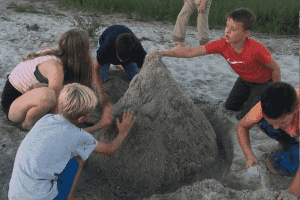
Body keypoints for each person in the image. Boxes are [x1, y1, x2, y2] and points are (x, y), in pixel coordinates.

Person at [147, 8, 281, 120]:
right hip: (244, 80)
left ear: (246, 33)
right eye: (227, 26)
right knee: (230, 107)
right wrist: (163, 52)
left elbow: (275, 69)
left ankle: (260, 100)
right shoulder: (222, 44)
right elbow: (192, 51)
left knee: (246, 117)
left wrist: (275, 93)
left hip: (263, 82)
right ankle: (252, 100)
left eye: (233, 29)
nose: (227, 31)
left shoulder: (257, 49)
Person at [8, 83, 136, 200]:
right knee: (78, 157)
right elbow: (110, 150)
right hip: (43, 197)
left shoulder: (46, 119)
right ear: (81, 118)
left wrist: (101, 125)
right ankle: (70, 197)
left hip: (15, 194)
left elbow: (72, 138)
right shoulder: (76, 136)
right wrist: (123, 132)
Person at [1, 27, 112, 131]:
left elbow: (83, 86)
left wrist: (84, 115)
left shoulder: (63, 57)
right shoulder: (55, 67)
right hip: (12, 104)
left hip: (28, 98)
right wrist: (73, 124)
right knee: (49, 96)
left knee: (69, 89)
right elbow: (55, 108)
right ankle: (27, 125)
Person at [236, 82, 299, 200]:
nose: (276, 127)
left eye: (283, 122)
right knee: (262, 122)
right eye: (273, 123)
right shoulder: (266, 105)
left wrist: (293, 191)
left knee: (276, 165)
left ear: (296, 108)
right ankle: (288, 144)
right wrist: (248, 154)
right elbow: (242, 126)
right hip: (294, 132)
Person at [93, 25, 147, 91]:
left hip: (125, 49)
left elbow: (139, 73)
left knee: (133, 77)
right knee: (102, 79)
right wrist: (101, 93)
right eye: (119, 58)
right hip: (107, 37)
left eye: (124, 60)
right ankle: (112, 62)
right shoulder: (105, 48)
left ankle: (119, 65)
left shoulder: (139, 52)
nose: (120, 60)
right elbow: (95, 69)